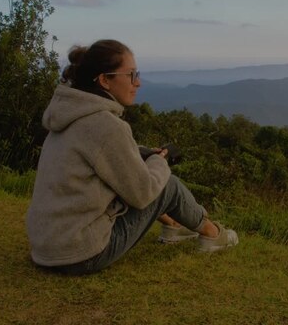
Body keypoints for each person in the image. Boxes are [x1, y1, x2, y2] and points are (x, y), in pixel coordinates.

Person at [26, 39, 238, 275]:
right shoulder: (107, 125)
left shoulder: (68, 117)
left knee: (139, 173)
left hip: (46, 248)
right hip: (80, 254)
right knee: (166, 185)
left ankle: (175, 227)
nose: (138, 82)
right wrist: (160, 161)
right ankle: (213, 235)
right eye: (131, 75)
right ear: (105, 80)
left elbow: (100, 157)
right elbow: (143, 193)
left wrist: (142, 153)